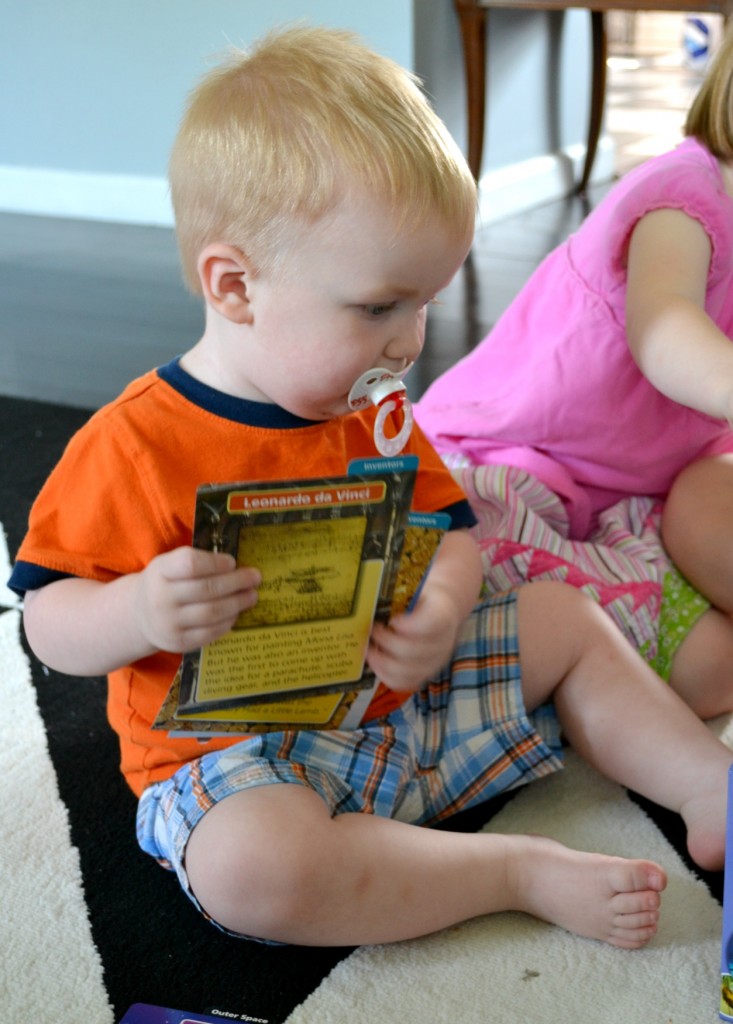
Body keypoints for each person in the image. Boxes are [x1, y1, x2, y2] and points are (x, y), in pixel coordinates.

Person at [8, 25, 732, 951]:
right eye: (379, 306)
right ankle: (507, 870)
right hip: (240, 760)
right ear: (234, 286)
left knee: (560, 616)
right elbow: (47, 623)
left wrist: (443, 602)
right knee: (253, 872)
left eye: (424, 302)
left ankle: (704, 785)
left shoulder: (379, 414)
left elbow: (454, 533)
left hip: (405, 701)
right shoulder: (134, 444)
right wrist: (140, 613)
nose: (410, 340)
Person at [415, 23, 733, 723]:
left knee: (713, 663)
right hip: (513, 459)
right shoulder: (685, 195)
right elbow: (665, 328)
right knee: (448, 570)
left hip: (640, 489)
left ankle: (607, 628)